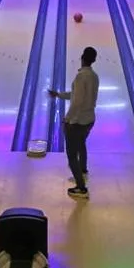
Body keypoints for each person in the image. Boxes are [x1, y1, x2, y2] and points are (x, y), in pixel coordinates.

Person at [48, 47, 99, 200]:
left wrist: (68, 119)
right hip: (89, 120)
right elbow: (77, 95)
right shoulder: (94, 76)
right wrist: (58, 95)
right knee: (82, 145)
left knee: (71, 156)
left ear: (82, 58)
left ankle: (81, 187)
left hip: (77, 122)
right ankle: (83, 172)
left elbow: (76, 102)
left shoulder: (80, 77)